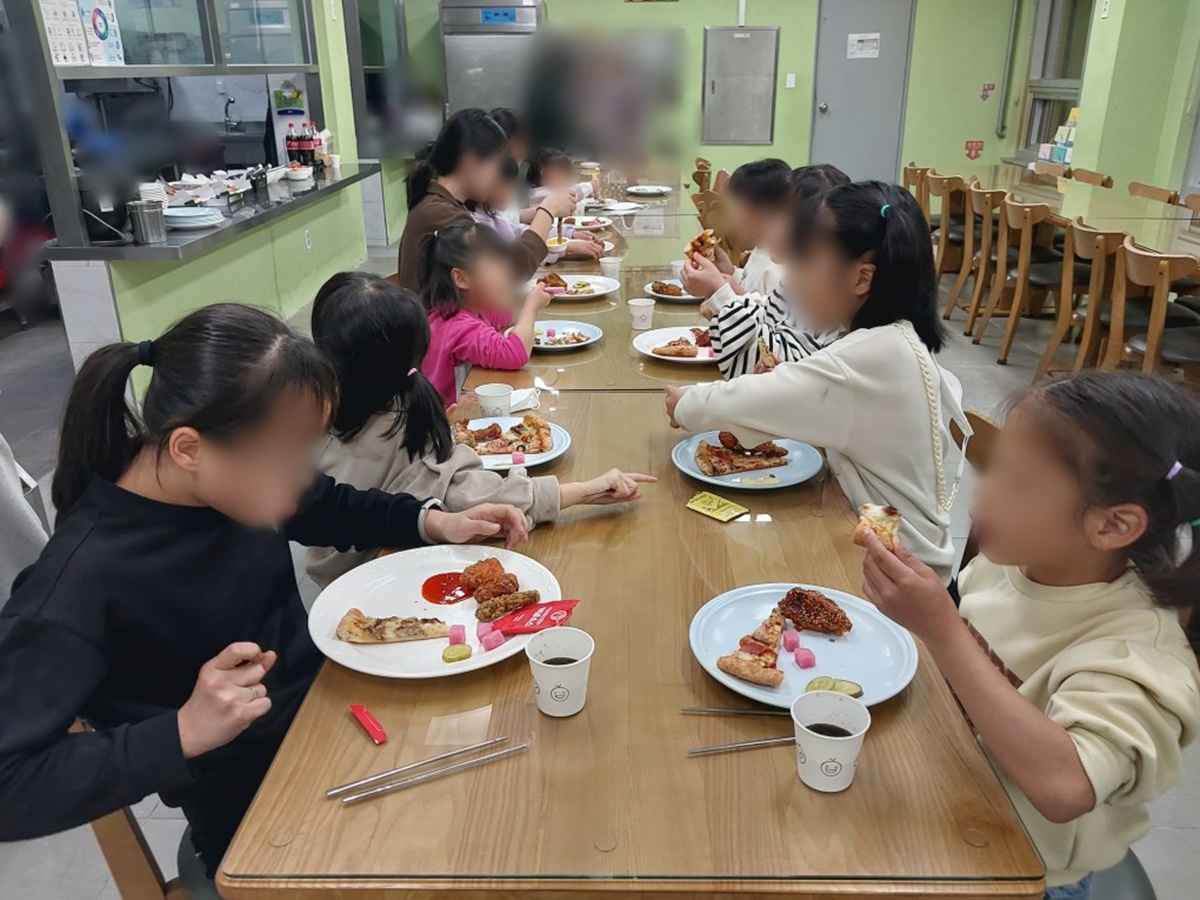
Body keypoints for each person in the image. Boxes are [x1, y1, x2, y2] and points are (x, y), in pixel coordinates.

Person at [0, 304, 528, 875]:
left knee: (507, 789)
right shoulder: (79, 580)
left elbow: (321, 502)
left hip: (334, 719)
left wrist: (431, 521)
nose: (298, 481)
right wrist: (180, 732)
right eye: (284, 461)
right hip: (259, 816)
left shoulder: (223, 479)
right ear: (188, 448)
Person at [859, 372, 1200, 899]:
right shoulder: (1012, 564)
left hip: (1028, 870)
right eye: (993, 468)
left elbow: (1065, 788)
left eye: (1018, 483)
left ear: (1112, 526)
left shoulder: (1139, 654)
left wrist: (942, 629)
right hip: (957, 792)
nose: (982, 492)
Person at [665, 181, 968, 582]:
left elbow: (748, 401)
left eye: (804, 262)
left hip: (905, 575)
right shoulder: (889, 339)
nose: (791, 280)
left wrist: (685, 403)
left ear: (861, 278)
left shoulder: (872, 354)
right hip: (878, 531)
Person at [307, 273, 656, 588]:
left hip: (334, 583)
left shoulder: (311, 418)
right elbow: (484, 501)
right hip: (378, 585)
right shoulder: (403, 427)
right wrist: (588, 490)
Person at [685, 164, 850, 379]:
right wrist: (727, 288)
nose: (769, 223)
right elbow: (768, 316)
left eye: (779, 215)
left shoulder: (824, 300)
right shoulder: (793, 279)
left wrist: (720, 294)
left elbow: (765, 358)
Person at [397, 108, 574, 290]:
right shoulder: (441, 213)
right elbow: (507, 268)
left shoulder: (444, 204)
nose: (497, 175)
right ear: (471, 161)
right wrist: (547, 212)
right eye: (496, 163)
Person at [420, 222, 550, 405]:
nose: (508, 272)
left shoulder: (458, 309)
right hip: (449, 419)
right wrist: (531, 307)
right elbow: (515, 354)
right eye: (495, 265)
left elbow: (503, 317)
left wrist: (504, 296)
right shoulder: (458, 325)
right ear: (461, 278)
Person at [691, 158, 791, 306]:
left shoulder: (778, 266)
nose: (734, 214)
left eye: (740, 205)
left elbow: (770, 315)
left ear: (764, 210)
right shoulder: (760, 248)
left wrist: (736, 293)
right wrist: (731, 272)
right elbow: (751, 283)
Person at [471, 156, 601, 263]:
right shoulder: (476, 225)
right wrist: (565, 247)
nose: (513, 191)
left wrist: (569, 234)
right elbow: (517, 256)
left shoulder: (493, 217)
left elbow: (522, 232)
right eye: (507, 184)